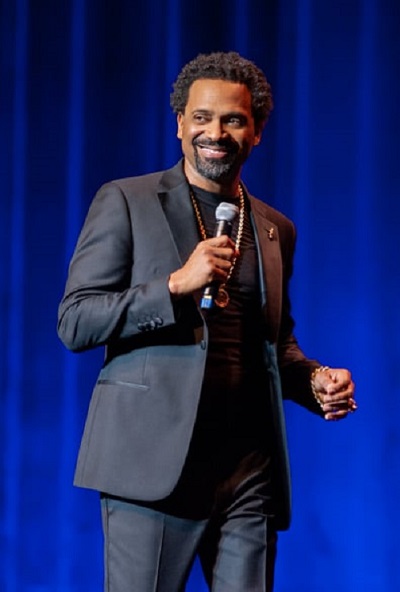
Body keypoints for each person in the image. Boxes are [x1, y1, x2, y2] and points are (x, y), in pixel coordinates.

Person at [57, 51, 357, 592]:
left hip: (248, 471)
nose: (214, 133)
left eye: (233, 119)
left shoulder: (275, 229)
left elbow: (273, 344)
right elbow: (76, 321)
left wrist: (314, 380)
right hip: (153, 466)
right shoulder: (127, 201)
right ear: (179, 124)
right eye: (201, 117)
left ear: (256, 131)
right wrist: (174, 285)